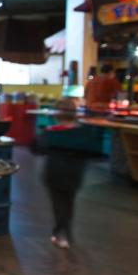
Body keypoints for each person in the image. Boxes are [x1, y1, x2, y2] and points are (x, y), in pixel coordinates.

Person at [39, 97, 88, 248]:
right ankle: (65, 232)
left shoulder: (51, 133)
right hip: (74, 175)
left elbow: (36, 148)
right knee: (68, 203)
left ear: (57, 115)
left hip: (55, 174)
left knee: (58, 205)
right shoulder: (82, 133)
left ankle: (61, 233)